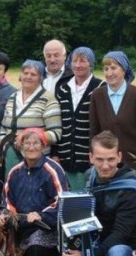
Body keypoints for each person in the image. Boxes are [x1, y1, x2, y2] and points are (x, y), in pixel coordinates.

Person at [0, 128, 67, 256]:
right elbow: (7, 201)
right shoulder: (14, 172)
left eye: (36, 143)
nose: (31, 147)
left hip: (47, 228)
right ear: (20, 147)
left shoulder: (53, 170)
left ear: (43, 146)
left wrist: (41, 215)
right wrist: (3, 215)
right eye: (27, 143)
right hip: (21, 227)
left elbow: (62, 201)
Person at [52, 46, 106, 189]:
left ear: (91, 64)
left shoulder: (100, 87)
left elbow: (102, 124)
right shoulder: (63, 88)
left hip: (89, 157)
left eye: (83, 61)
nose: (78, 65)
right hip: (65, 156)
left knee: (88, 196)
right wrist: (55, 152)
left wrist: (97, 152)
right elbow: (58, 121)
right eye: (74, 61)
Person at [89, 51, 136, 170]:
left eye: (113, 68)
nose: (109, 73)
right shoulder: (97, 95)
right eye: (106, 69)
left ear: (124, 70)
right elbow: (94, 130)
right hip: (106, 165)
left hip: (134, 164)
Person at [0, 59, 61, 175]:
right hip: (11, 158)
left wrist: (28, 135)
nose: (28, 77)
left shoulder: (48, 99)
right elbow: (4, 127)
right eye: (25, 73)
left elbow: (56, 133)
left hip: (36, 159)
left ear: (40, 78)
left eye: (33, 74)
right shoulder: (13, 97)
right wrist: (4, 148)